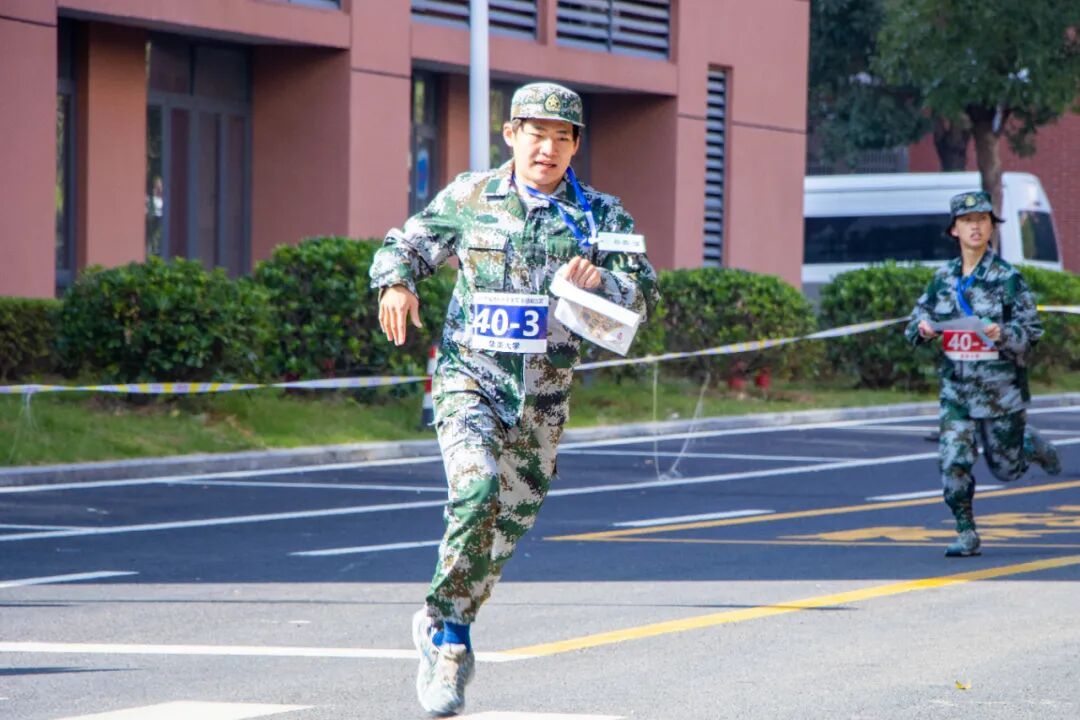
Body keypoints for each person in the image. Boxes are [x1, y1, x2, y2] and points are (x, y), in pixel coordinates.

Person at [370, 81, 658, 716]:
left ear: (576, 145)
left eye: (561, 138)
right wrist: (396, 283)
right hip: (469, 379)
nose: (547, 149)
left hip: (543, 398)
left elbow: (644, 291)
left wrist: (604, 281)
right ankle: (449, 638)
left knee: (504, 526)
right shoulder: (471, 196)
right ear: (511, 136)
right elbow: (407, 244)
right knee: (475, 491)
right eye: (536, 135)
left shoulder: (600, 216)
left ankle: (447, 616)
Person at [905, 190, 1061, 558]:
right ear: (954, 230)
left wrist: (1001, 333)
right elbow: (914, 324)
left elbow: (1031, 333)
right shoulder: (942, 279)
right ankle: (966, 531)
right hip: (956, 392)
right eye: (966, 221)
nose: (975, 227)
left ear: (992, 227)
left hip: (1000, 392)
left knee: (1006, 470)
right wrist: (923, 330)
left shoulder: (1008, 278)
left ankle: (1028, 445)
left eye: (982, 220)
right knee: (953, 460)